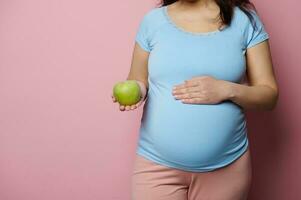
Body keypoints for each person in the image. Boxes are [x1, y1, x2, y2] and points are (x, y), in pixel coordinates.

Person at [111, 0, 279, 199]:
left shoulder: (245, 22)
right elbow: (138, 79)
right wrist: (136, 91)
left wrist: (227, 89)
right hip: (156, 167)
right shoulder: (153, 21)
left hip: (226, 169)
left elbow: (269, 95)